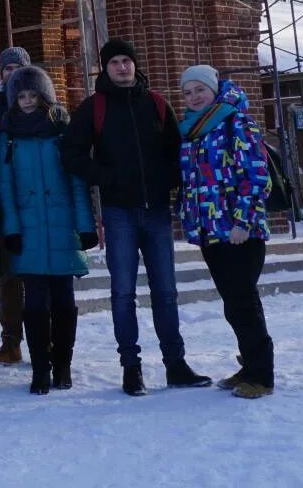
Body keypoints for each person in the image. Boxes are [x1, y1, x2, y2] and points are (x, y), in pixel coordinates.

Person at [61, 38, 212, 396]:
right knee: (122, 293)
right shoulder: (94, 107)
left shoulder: (157, 104)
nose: (122, 67)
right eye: (114, 62)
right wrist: (106, 177)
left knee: (166, 292)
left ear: (135, 64)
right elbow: (71, 153)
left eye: (127, 60)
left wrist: (167, 180)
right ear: (105, 68)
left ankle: (175, 364)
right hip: (119, 213)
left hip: (156, 211)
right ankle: (131, 367)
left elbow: (178, 154)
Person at [177, 65, 275, 400]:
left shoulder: (236, 122)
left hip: (238, 231)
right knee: (233, 303)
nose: (193, 97)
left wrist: (242, 222)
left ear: (214, 88)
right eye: (187, 93)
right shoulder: (193, 130)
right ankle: (249, 366)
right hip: (210, 231)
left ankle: (261, 376)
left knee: (244, 303)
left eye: (199, 90)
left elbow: (255, 175)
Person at [0, 65, 96, 394]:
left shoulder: (61, 128)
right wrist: (11, 228)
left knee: (64, 302)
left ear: (44, 96)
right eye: (21, 95)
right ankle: (40, 368)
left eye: (32, 94)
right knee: (35, 304)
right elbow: (6, 187)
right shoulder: (8, 132)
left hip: (62, 226)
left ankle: (62, 364)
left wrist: (85, 225)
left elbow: (76, 182)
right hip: (27, 229)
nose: (26, 101)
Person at [0, 45, 31, 366]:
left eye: (18, 68)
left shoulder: (41, 105)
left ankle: (48, 338)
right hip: (1, 201)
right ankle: (10, 341)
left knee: (43, 276)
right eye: (7, 68)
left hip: (36, 199)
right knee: (10, 276)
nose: (11, 73)